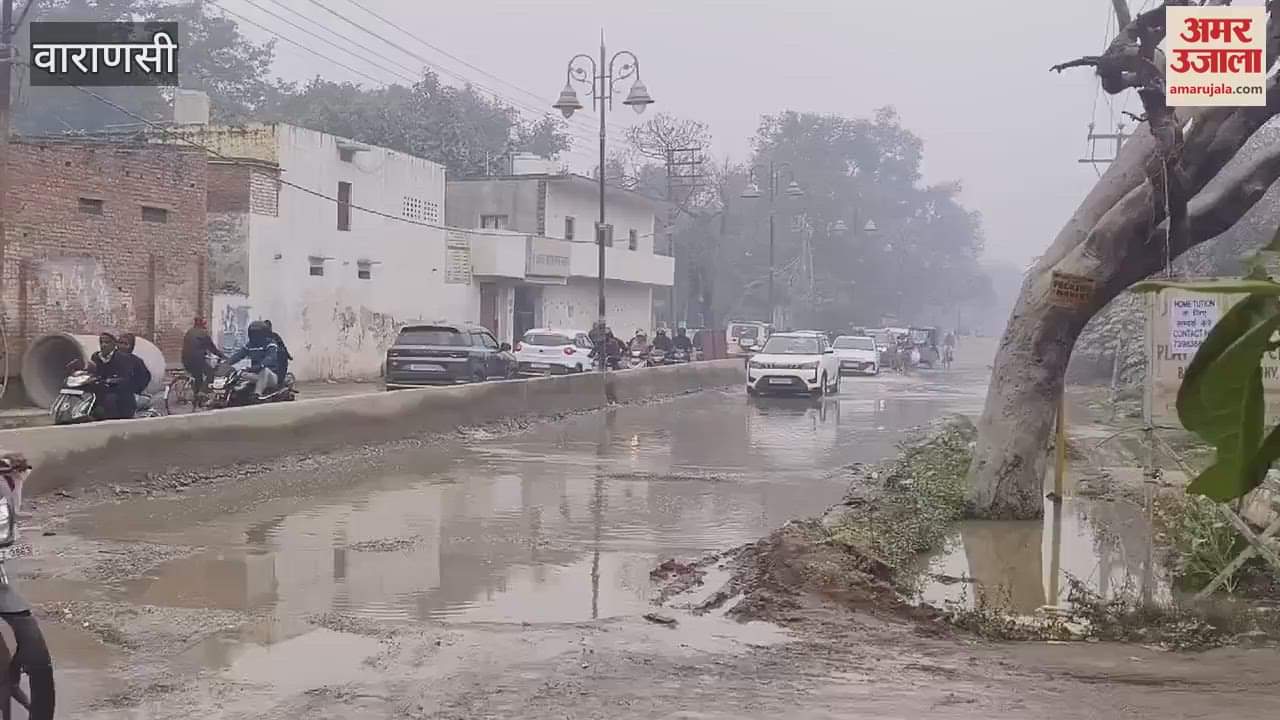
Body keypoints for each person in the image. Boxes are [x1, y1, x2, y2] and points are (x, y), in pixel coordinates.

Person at [81, 332, 137, 419]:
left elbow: (127, 378)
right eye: (101, 342)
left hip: (118, 393)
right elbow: (92, 372)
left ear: (114, 344)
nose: (103, 345)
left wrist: (110, 381)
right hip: (100, 390)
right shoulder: (96, 357)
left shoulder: (123, 358)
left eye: (107, 342)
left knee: (110, 399)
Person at [224, 320, 282, 398]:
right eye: (253, 333)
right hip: (255, 375)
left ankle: (257, 394)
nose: (255, 336)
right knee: (239, 373)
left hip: (271, 376)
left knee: (264, 370)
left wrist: (261, 365)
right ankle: (229, 394)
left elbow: (271, 357)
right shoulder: (250, 345)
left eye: (257, 333)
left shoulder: (270, 344)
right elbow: (238, 355)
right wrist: (226, 363)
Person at [182, 317, 226, 398]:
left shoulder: (189, 332)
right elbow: (212, 348)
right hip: (197, 360)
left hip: (185, 360)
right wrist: (223, 356)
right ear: (203, 324)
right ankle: (202, 392)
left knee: (198, 377)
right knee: (210, 373)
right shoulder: (203, 333)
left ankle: (197, 398)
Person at [116, 333, 153, 400]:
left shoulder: (136, 361)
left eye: (126, 344)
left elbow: (146, 377)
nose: (122, 346)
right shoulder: (111, 358)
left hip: (130, 394)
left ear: (131, 347)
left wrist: (135, 389)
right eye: (120, 343)